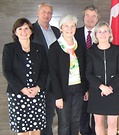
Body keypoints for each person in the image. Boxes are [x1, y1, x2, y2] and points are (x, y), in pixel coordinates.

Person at [2, 18, 48, 135]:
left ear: (31, 31)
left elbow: (44, 70)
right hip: (18, 95)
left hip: (36, 93)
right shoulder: (9, 48)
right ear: (15, 32)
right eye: (20, 29)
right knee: (22, 130)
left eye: (26, 28)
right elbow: (7, 71)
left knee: (36, 128)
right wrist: (23, 89)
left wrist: (38, 88)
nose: (23, 31)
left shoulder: (39, 48)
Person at [48, 15, 87, 135]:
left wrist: (85, 89)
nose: (69, 29)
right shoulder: (55, 47)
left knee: (76, 121)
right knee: (64, 123)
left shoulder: (79, 46)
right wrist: (57, 96)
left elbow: (84, 69)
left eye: (72, 26)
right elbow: (53, 73)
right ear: (61, 28)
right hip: (63, 92)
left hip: (78, 90)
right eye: (66, 26)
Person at [86, 21, 119, 135]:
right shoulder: (91, 51)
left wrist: (110, 87)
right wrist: (102, 87)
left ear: (110, 34)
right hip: (96, 91)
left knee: (112, 124)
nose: (102, 34)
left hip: (114, 91)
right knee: (98, 123)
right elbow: (88, 73)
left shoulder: (117, 50)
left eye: (105, 31)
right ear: (96, 35)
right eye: (100, 31)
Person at [32, 3, 61, 135]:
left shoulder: (56, 31)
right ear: (37, 13)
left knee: (53, 114)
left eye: (49, 12)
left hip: (56, 79)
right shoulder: (30, 30)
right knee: (43, 115)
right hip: (40, 79)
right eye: (44, 12)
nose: (46, 15)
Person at [74, 5, 100, 135]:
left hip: (97, 82)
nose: (90, 19)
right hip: (78, 82)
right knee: (82, 116)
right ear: (83, 17)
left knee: (97, 116)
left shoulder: (102, 34)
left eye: (93, 16)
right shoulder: (74, 33)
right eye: (87, 15)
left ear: (97, 19)